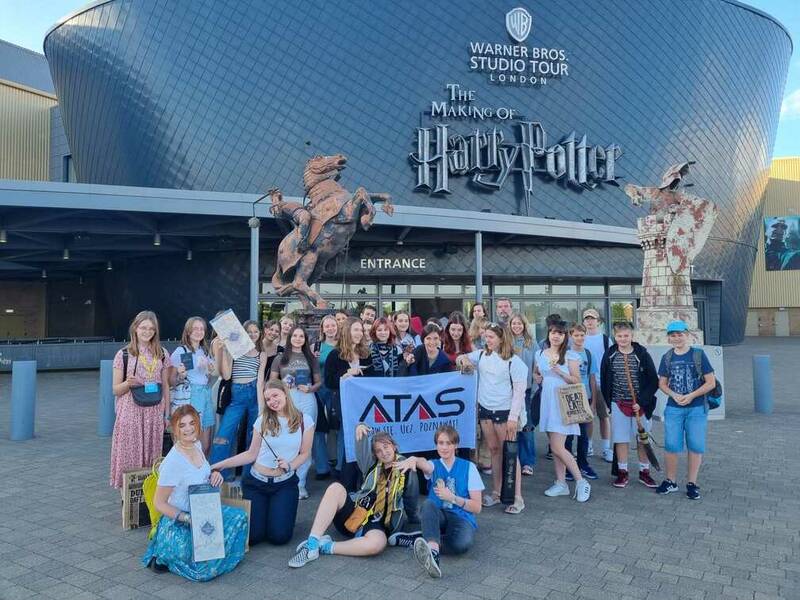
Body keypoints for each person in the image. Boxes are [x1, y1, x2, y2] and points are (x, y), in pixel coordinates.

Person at [288, 424, 419, 568]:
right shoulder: (371, 465)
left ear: (394, 446)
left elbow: (411, 497)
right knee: (335, 488)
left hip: (376, 525)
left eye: (386, 447)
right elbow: (361, 449)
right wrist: (359, 429)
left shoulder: (406, 468)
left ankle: (325, 546)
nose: (384, 452)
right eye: (378, 450)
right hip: (355, 513)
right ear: (375, 454)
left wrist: (413, 518)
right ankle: (312, 543)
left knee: (377, 544)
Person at [143, 405, 248, 580]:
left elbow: (201, 475)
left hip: (204, 512)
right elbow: (159, 503)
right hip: (180, 520)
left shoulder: (197, 445)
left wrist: (214, 474)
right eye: (182, 425)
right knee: (203, 570)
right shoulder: (173, 462)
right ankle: (164, 553)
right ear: (175, 430)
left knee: (239, 517)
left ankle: (214, 552)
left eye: (192, 423)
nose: (188, 429)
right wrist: (188, 518)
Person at [211, 380, 314, 545]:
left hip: (284, 484)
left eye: (275, 395)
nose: (272, 401)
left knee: (279, 537)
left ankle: (274, 515)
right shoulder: (262, 420)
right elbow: (251, 454)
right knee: (254, 537)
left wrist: (290, 466)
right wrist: (219, 465)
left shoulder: (305, 420)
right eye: (268, 399)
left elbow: (305, 453)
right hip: (256, 483)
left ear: (285, 393)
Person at [391, 425, 483, 579]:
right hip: (437, 515)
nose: (444, 447)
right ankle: (433, 553)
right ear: (436, 445)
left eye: (448, 443)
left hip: (461, 517)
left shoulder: (469, 468)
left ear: (456, 445)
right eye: (441, 443)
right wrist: (414, 459)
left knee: (461, 545)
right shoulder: (434, 465)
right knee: (428, 504)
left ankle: (417, 540)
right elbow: (424, 464)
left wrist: (453, 498)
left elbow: (477, 507)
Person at [456, 322, 528, 513]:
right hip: (485, 410)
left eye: (491, 337)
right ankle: (497, 492)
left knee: (510, 454)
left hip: (505, 412)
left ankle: (517, 497)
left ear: (501, 338)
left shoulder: (515, 362)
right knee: (494, 450)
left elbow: (519, 392)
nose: (486, 340)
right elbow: (462, 356)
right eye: (485, 336)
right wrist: (464, 361)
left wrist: (513, 417)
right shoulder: (481, 355)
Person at [656, 320, 716, 499]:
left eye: (680, 334)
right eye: (673, 335)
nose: (677, 338)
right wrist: (674, 395)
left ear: (687, 335)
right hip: (674, 408)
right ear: (669, 338)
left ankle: (692, 483)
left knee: (695, 445)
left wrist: (691, 396)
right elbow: (662, 383)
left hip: (696, 408)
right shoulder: (667, 357)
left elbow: (710, 382)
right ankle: (670, 480)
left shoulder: (698, 355)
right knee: (671, 445)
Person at [110, 311, 170, 489]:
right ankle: (127, 498)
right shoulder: (123, 354)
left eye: (151, 328)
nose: (147, 332)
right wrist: (128, 383)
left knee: (152, 457)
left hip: (154, 413)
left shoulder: (162, 353)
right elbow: (115, 390)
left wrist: (167, 414)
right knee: (130, 456)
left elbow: (165, 385)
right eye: (143, 327)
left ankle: (148, 497)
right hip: (131, 412)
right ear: (135, 328)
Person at [533, 319, 591, 502]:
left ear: (565, 336)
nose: (556, 336)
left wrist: (560, 372)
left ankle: (581, 481)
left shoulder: (570, 355)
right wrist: (537, 377)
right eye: (553, 332)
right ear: (548, 334)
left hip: (563, 401)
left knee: (558, 446)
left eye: (560, 333)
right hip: (547, 401)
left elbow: (577, 380)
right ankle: (561, 483)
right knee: (555, 446)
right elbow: (537, 372)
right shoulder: (540, 353)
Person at [599, 321, 659, 489]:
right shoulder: (610, 355)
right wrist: (610, 403)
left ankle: (644, 472)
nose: (623, 339)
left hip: (640, 406)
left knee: (642, 439)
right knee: (620, 439)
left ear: (632, 336)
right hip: (618, 403)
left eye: (626, 336)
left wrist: (642, 402)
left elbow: (653, 380)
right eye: (619, 336)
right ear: (615, 336)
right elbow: (605, 380)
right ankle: (622, 472)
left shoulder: (642, 354)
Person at [270, 326, 322, 499]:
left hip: (307, 398)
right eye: (295, 335)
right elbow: (271, 382)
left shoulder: (311, 358)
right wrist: (283, 386)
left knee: (305, 441)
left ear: (305, 339)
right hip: (287, 399)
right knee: (286, 438)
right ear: (290, 337)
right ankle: (283, 479)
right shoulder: (280, 358)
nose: (298, 339)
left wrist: (310, 389)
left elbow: (318, 382)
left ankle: (300, 484)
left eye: (301, 336)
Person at [324, 317, 374, 490]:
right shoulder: (334, 355)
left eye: (361, 330)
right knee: (350, 442)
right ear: (347, 331)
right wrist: (346, 374)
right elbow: (329, 381)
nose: (359, 333)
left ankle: (364, 482)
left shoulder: (366, 354)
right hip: (344, 404)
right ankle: (348, 485)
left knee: (364, 440)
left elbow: (374, 379)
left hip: (364, 404)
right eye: (356, 330)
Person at [210, 320, 262, 479]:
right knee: (223, 435)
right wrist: (225, 351)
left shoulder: (262, 354)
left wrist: (262, 407)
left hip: (254, 395)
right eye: (249, 331)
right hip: (236, 397)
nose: (253, 334)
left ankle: (250, 475)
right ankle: (218, 473)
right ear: (243, 333)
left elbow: (260, 382)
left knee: (253, 436)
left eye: (256, 331)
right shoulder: (235, 351)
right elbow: (226, 375)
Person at [169, 317, 215, 454]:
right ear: (188, 331)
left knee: (206, 443)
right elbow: (171, 381)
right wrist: (180, 375)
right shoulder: (181, 351)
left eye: (202, 329)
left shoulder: (205, 351)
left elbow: (207, 377)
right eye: (195, 328)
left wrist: (210, 370)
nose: (199, 331)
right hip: (191, 395)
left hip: (205, 394)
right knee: (192, 440)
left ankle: (201, 466)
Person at [564, 323, 599, 481]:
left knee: (583, 434)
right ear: (571, 336)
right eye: (576, 335)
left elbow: (592, 379)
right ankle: (568, 466)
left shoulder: (589, 355)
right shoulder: (566, 354)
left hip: (585, 397)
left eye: (582, 335)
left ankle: (583, 464)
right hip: (570, 397)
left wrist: (593, 403)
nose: (579, 338)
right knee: (569, 435)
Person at [581, 308, 613, 462]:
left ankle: (606, 449)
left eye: (592, 318)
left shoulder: (606, 340)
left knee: (603, 416)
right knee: (588, 417)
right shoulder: (580, 338)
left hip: (601, 384)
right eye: (586, 318)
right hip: (584, 384)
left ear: (598, 321)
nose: (589, 321)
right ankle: (588, 446)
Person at [509, 313, 537, 476]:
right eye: (514, 323)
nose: (517, 326)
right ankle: (513, 459)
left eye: (519, 323)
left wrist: (534, 387)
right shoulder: (506, 341)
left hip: (526, 390)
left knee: (526, 427)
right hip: (508, 390)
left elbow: (536, 366)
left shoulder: (531, 343)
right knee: (512, 426)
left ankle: (527, 462)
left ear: (524, 325)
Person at [312, 314, 338, 480]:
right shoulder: (316, 346)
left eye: (333, 325)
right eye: (327, 326)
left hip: (336, 391)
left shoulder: (343, 344)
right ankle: (322, 467)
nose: (330, 328)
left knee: (338, 428)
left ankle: (339, 465)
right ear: (322, 329)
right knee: (319, 429)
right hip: (319, 391)